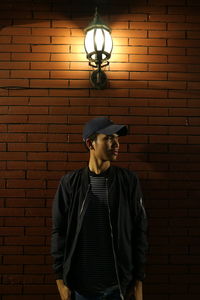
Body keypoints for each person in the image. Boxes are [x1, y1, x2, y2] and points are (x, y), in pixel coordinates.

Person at [51, 117, 148, 300]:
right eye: (109, 138)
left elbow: (139, 232)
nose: (116, 144)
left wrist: (138, 282)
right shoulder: (70, 184)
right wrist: (60, 282)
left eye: (117, 139)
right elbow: (59, 232)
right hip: (81, 289)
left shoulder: (128, 182)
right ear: (90, 143)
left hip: (117, 287)